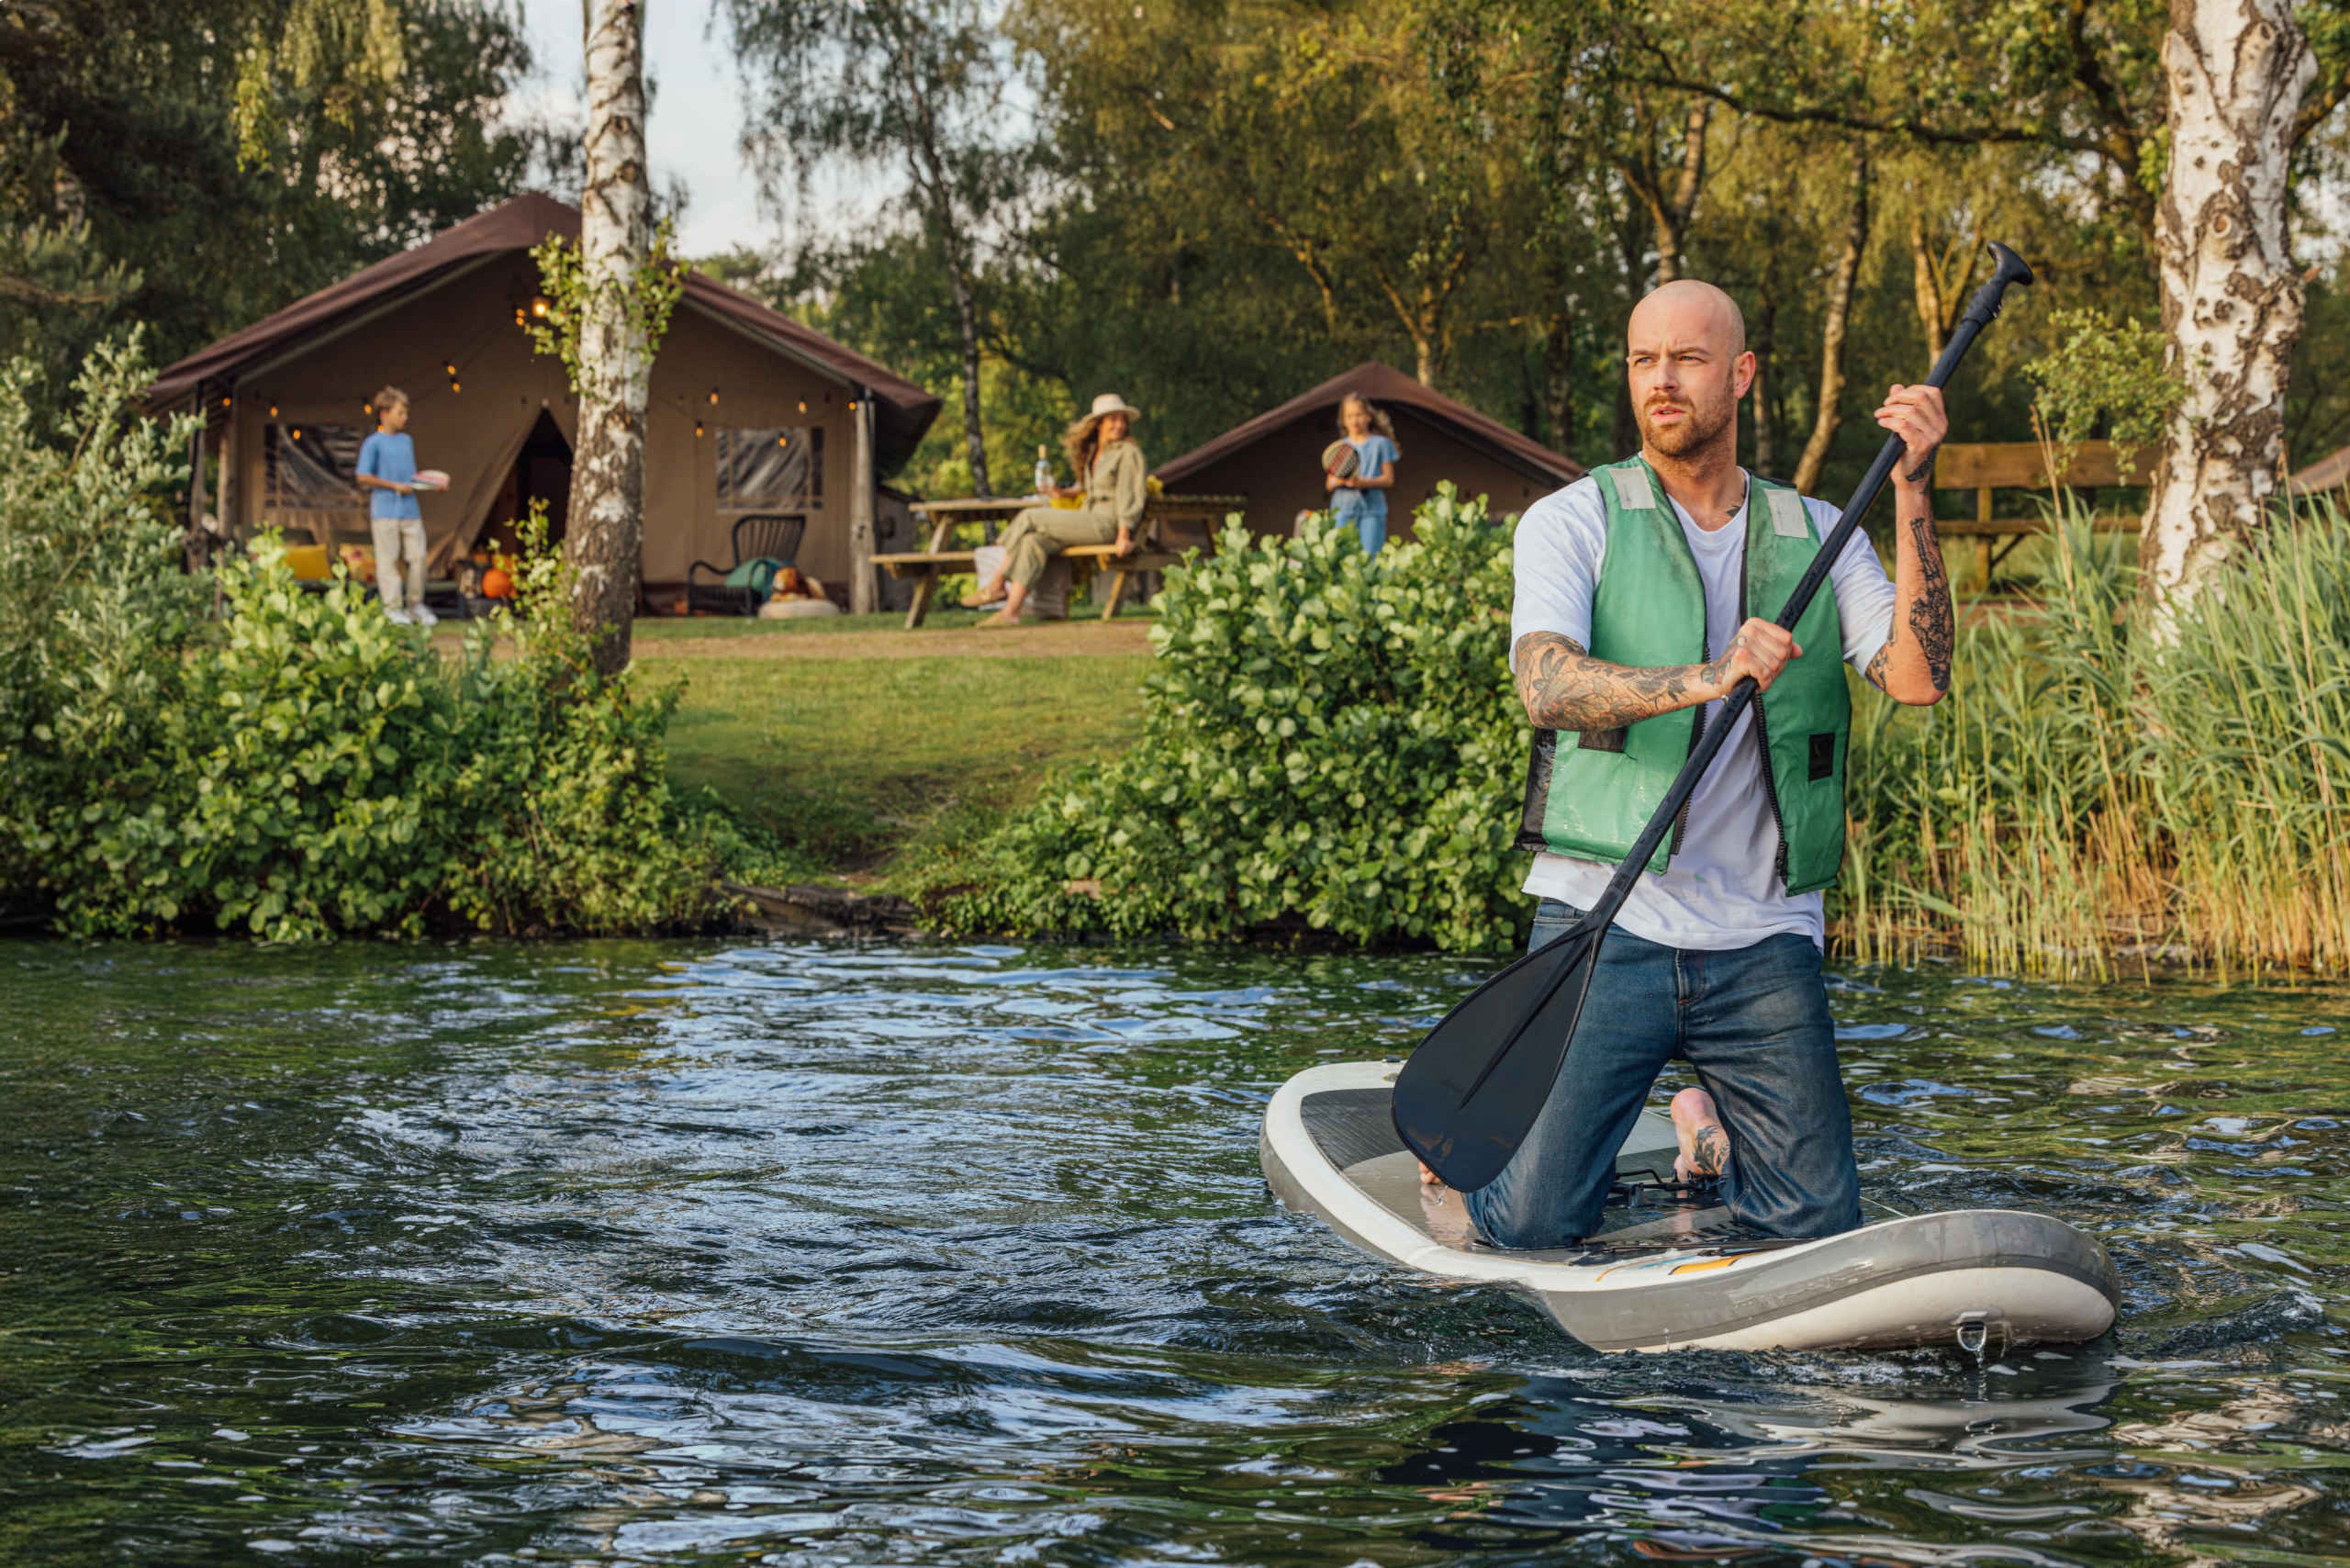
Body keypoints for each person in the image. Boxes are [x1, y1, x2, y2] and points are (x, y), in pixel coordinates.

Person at [1458, 278, 1956, 1249]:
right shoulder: (1574, 519)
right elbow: (1546, 687)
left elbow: (1918, 674)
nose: (1662, 381)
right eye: (1644, 360)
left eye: (1687, 359)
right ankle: (1478, 1160)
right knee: (1528, 1224)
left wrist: (1913, 489)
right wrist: (1709, 675)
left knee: (1816, 1224)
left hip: (1764, 934)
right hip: (1608, 918)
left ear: (1742, 375)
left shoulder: (1818, 528)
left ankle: (1706, 1119)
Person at [964, 393, 1146, 627]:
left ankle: (996, 584)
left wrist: (1124, 534)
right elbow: (1095, 488)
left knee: (1030, 516)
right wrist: (1066, 493)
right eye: (1114, 419)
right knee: (1033, 542)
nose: (1120, 425)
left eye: (1123, 420)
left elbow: (1129, 494)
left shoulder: (1128, 453)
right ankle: (1011, 612)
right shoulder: (1097, 453)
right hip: (1088, 518)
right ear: (1099, 423)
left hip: (1107, 523)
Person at [354, 387, 435, 626]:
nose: (405, 418)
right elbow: (363, 477)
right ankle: (392, 608)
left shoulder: (406, 442)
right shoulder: (373, 444)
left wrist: (432, 484)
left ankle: (415, 605)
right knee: (388, 561)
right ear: (385, 413)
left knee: (418, 557)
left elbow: (410, 478)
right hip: (385, 512)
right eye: (400, 413)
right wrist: (393, 486)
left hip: (411, 510)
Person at [1326, 393, 1399, 554]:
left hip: (1372, 511)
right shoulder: (1341, 447)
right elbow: (1329, 484)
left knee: (1369, 558)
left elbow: (1388, 479)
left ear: (1368, 417)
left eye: (1359, 415)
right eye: (1350, 416)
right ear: (1344, 421)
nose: (1355, 421)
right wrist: (1343, 481)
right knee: (1341, 557)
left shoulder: (1382, 444)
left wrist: (1364, 483)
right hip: (1343, 510)